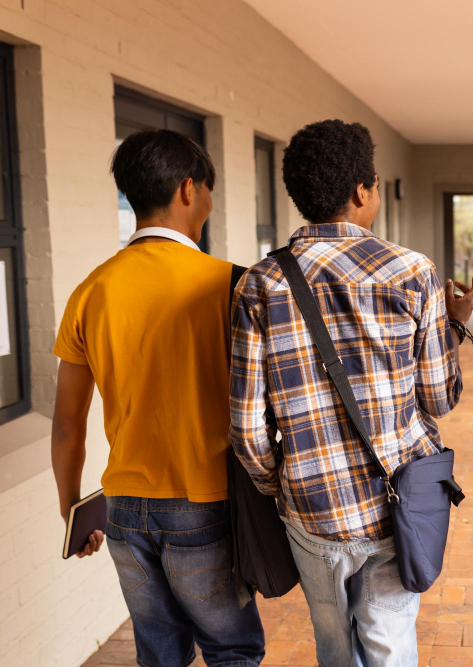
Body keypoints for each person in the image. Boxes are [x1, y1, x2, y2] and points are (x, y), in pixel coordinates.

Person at [230, 119, 473, 667]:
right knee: (389, 641)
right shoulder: (414, 273)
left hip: (312, 509)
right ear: (363, 191)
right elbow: (439, 399)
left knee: (335, 646)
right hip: (399, 498)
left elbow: (247, 430)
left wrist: (288, 482)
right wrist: (455, 327)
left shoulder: (261, 283)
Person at [51, 129, 266, 667]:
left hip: (123, 509)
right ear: (188, 190)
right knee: (232, 650)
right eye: (210, 191)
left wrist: (71, 510)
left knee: (160, 655)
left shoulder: (91, 290)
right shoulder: (232, 284)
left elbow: (66, 424)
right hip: (204, 503)